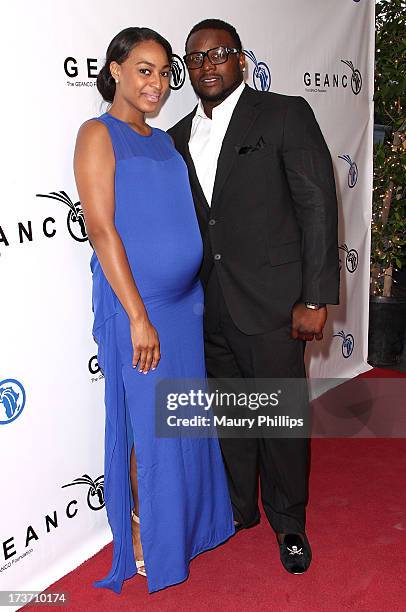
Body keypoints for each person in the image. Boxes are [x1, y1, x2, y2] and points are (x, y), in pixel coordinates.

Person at [169, 18, 339, 575]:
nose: (206, 64)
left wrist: (315, 297)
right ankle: (237, 510)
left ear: (240, 58)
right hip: (209, 304)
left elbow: (316, 203)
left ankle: (289, 522)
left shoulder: (284, 113)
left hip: (273, 300)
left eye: (218, 53)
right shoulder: (175, 137)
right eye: (195, 58)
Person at [73, 26, 234, 594]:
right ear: (115, 70)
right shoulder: (98, 134)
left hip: (185, 305)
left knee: (183, 422)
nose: (159, 84)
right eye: (145, 70)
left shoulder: (165, 140)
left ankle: (187, 527)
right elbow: (101, 229)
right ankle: (144, 531)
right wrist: (138, 315)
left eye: (166, 73)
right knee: (150, 428)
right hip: (139, 307)